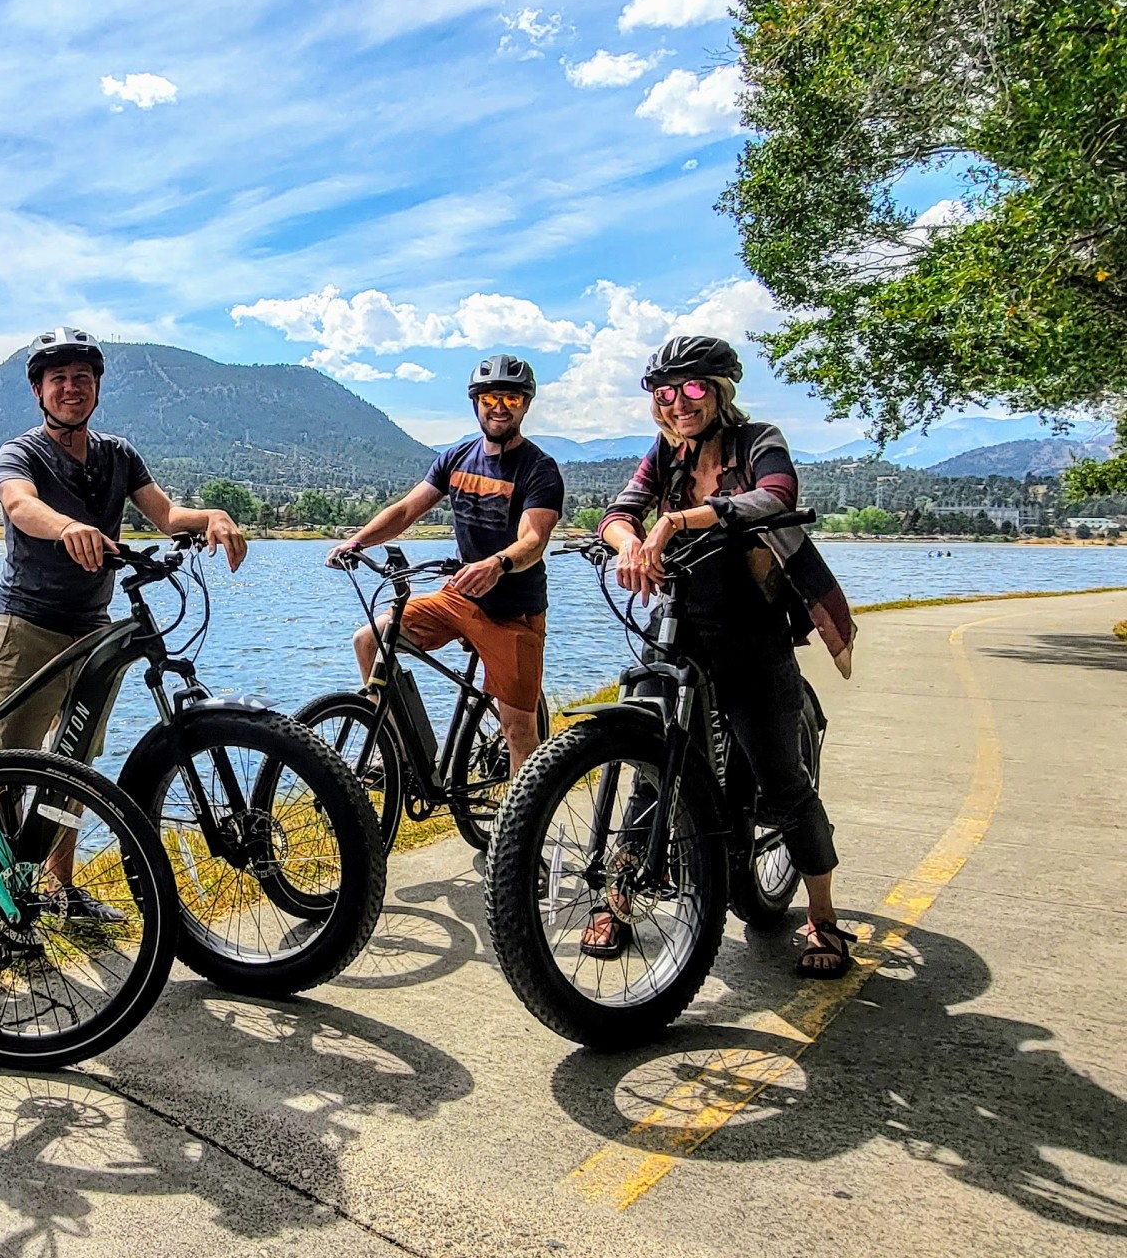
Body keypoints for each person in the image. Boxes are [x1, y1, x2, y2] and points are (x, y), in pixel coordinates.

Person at [597, 334, 857, 977]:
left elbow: (774, 496)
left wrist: (677, 522)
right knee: (648, 763)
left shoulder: (757, 439)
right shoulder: (666, 454)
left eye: (691, 390)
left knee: (781, 779)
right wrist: (629, 539)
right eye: (665, 393)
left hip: (750, 626)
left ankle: (823, 920)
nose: (677, 404)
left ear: (718, 393)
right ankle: (620, 899)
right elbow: (619, 511)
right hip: (678, 619)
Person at [0, 327, 247, 915]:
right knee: (11, 764)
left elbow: (166, 515)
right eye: (59, 380)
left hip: (93, 630)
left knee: (76, 762)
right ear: (39, 391)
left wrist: (211, 516)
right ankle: (7, 894)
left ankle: (60, 886)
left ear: (98, 388)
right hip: (28, 627)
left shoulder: (118, 454)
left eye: (82, 378)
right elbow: (19, 505)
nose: (71, 388)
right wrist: (68, 526)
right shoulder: (20, 452)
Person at [327, 354, 563, 772]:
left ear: (525, 404)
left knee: (520, 734)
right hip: (459, 598)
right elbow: (405, 512)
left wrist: (497, 564)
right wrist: (358, 541)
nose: (499, 407)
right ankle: (401, 757)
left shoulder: (539, 469)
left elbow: (533, 540)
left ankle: (520, 834)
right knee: (370, 640)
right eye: (491, 397)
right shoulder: (458, 457)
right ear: (476, 402)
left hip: (514, 612)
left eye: (511, 398)